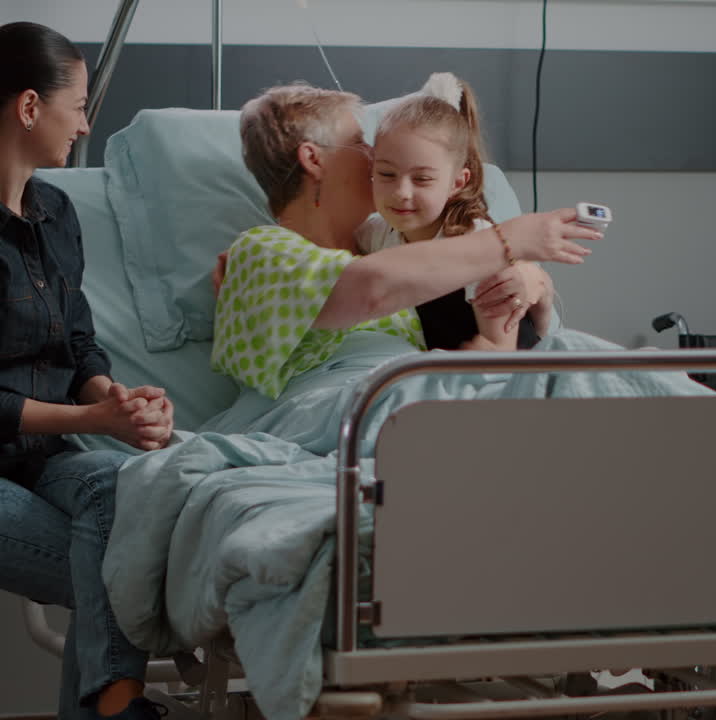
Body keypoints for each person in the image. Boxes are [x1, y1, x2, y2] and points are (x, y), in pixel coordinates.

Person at [211, 82, 599, 399]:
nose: (372, 156)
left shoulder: (382, 247)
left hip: (430, 395)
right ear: (314, 159)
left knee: (608, 368)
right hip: (359, 408)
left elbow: (526, 337)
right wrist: (509, 241)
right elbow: (368, 289)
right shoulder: (262, 250)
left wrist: (537, 284)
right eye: (361, 142)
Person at [0, 21, 175, 720]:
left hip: (45, 458)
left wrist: (116, 399)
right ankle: (117, 701)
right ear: (30, 106)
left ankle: (109, 702)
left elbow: (79, 346)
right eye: (77, 105)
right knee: (111, 567)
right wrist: (91, 419)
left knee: (119, 481)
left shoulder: (57, 212)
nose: (84, 124)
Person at [358, 72, 552, 352]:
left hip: (504, 373)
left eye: (422, 179)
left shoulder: (478, 245)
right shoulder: (377, 234)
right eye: (387, 174)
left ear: (457, 183)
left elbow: (500, 352)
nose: (402, 192)